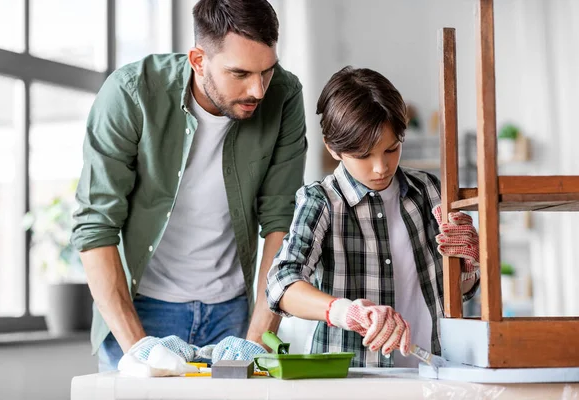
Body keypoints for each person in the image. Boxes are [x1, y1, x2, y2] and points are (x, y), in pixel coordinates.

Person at [71, 0, 307, 374]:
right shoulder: (131, 93)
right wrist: (139, 348)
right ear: (198, 60)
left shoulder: (284, 95)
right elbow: (95, 226)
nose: (258, 90)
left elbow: (282, 223)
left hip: (235, 312)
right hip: (141, 310)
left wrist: (256, 340)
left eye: (267, 71)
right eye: (240, 73)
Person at [266, 66, 480, 368]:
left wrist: (469, 268)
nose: (381, 167)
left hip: (431, 370)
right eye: (364, 156)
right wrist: (344, 311)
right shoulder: (323, 201)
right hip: (353, 381)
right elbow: (281, 285)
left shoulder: (429, 191)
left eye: (391, 149)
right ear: (333, 148)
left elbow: (459, 292)